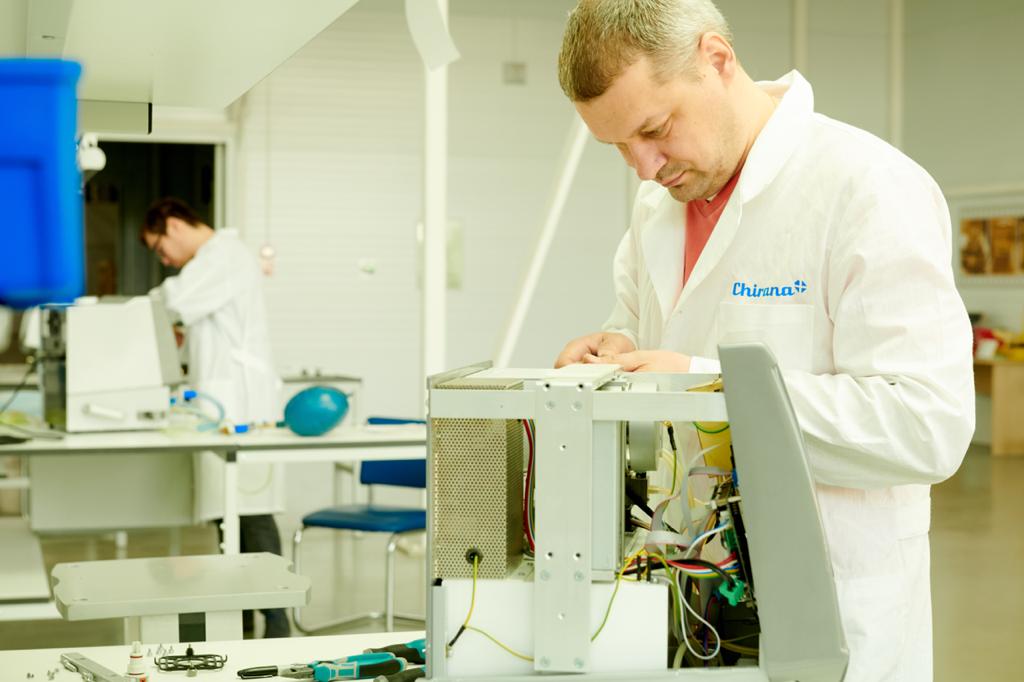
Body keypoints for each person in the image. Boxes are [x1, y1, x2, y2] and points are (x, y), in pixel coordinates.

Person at [554, 1, 974, 680]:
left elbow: (927, 425)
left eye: (654, 129)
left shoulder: (866, 187)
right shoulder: (657, 207)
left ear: (716, 59)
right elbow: (639, 323)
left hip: (836, 604)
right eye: (619, 147)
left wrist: (703, 385)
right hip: (691, 600)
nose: (644, 167)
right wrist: (611, 347)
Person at [141, 197, 290, 638]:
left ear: (173, 226)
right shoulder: (213, 261)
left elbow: (175, 299)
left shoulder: (224, 255)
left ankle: (276, 620)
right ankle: (243, 617)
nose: (164, 260)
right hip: (221, 402)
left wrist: (128, 307)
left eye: (159, 249)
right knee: (229, 515)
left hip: (242, 403)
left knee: (251, 512)